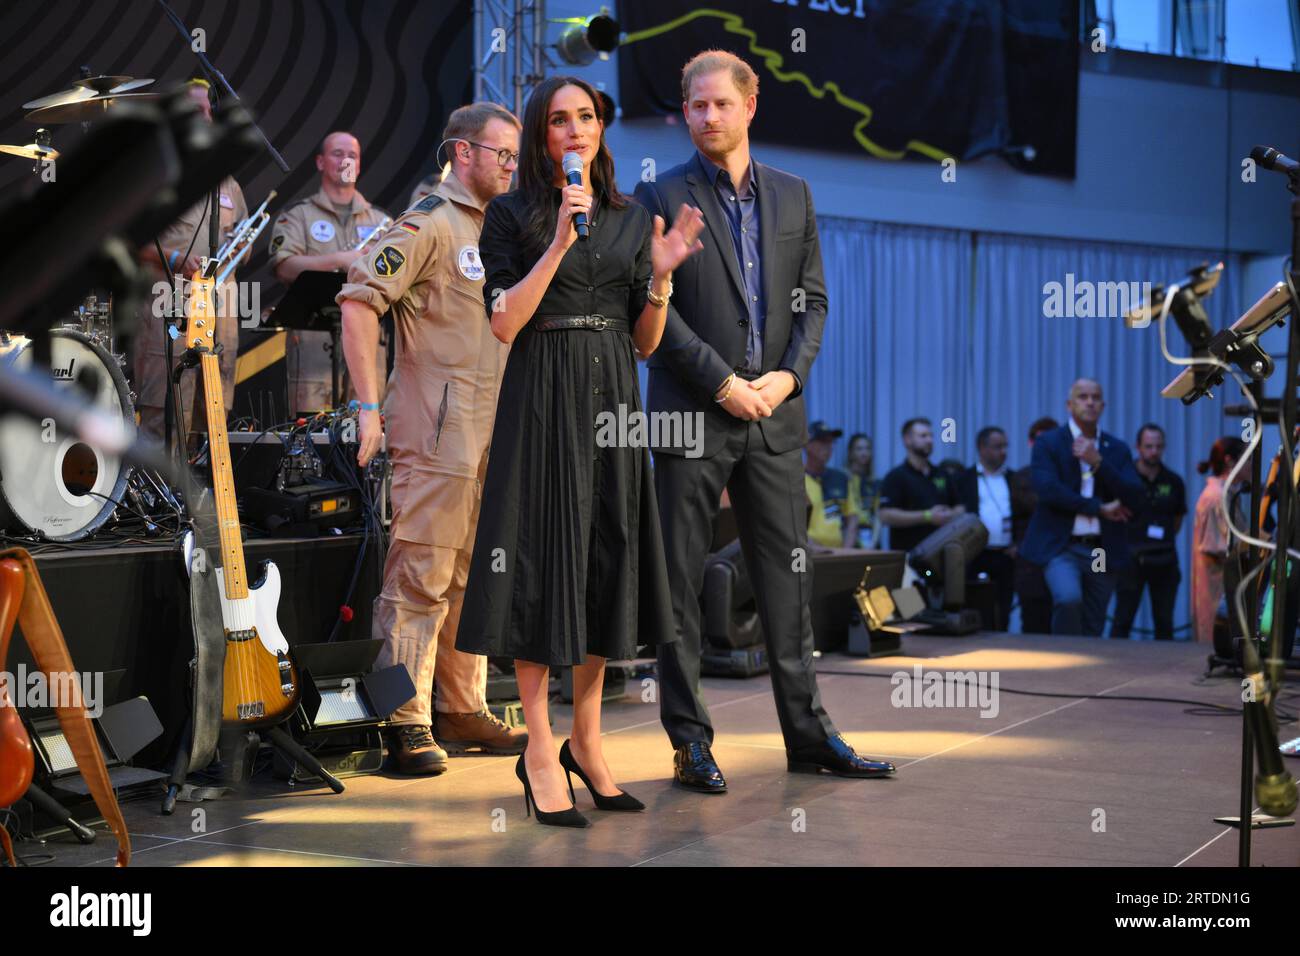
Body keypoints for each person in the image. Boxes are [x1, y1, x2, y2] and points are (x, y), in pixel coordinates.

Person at [634, 49, 895, 794]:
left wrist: (786, 378)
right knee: (680, 586)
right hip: (691, 414)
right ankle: (689, 743)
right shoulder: (660, 195)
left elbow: (813, 301)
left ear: (751, 106)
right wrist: (723, 384)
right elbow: (657, 316)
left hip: (777, 415)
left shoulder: (795, 194)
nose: (708, 117)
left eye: (721, 103)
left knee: (789, 580)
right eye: (695, 106)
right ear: (684, 113)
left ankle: (809, 736)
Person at [455, 76, 706, 826]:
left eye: (586, 117)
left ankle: (587, 742)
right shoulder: (511, 215)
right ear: (540, 135)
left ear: (601, 129)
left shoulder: (633, 220)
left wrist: (659, 279)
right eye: (559, 120)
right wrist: (561, 239)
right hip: (541, 397)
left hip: (614, 403)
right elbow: (504, 324)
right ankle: (539, 748)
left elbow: (645, 340)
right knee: (535, 563)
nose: (575, 130)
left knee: (605, 561)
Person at [337, 102, 526, 775]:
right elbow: (359, 303)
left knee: (472, 578)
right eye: (502, 153)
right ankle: (402, 719)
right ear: (462, 152)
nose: (512, 165)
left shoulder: (504, 230)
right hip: (438, 427)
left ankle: (459, 706)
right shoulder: (427, 223)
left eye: (515, 155)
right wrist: (367, 408)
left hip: (493, 432)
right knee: (419, 573)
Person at [134, 79, 246, 445]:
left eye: (210, 112)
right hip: (170, 305)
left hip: (220, 310)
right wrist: (178, 259)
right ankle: (157, 499)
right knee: (165, 410)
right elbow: (129, 240)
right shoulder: (155, 174)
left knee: (211, 414)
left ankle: (203, 498)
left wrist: (239, 248)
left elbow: (242, 238)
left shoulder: (226, 181)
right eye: (198, 111)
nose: (208, 118)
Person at [271, 131, 391, 413]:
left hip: (368, 347)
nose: (345, 160)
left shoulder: (383, 222)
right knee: (311, 438)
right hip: (314, 347)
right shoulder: (298, 215)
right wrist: (340, 259)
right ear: (321, 162)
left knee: (365, 441)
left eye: (353, 155)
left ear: (359, 165)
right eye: (338, 153)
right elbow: (284, 266)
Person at [1020, 379, 1144, 636]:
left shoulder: (1116, 448)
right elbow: (1048, 489)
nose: (1090, 402)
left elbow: (1134, 494)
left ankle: (1088, 672)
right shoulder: (1049, 443)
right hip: (1062, 545)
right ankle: (1064, 661)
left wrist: (1098, 462)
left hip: (1101, 548)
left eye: (1095, 397)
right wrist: (1098, 507)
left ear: (1103, 405)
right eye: (1082, 396)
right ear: (1069, 404)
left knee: (1094, 617)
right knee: (1068, 598)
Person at [1111, 423, 1187, 640]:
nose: (1154, 451)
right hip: (1130, 558)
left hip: (1164, 558)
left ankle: (1166, 672)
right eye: (1149, 446)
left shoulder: (1174, 481)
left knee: (1164, 622)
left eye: (1158, 446)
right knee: (1122, 619)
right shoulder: (1124, 479)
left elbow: (1177, 520)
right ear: (1138, 447)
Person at [956, 426, 1020, 631]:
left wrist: (1018, 543)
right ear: (981, 448)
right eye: (997, 446)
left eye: (1005, 446)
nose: (1003, 451)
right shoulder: (962, 479)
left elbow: (1024, 515)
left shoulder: (1014, 478)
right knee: (974, 603)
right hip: (974, 553)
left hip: (1005, 553)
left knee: (1004, 606)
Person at [878, 417, 966, 553]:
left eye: (931, 436)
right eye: (923, 436)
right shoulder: (896, 476)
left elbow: (960, 507)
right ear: (907, 440)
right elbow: (885, 515)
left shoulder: (942, 474)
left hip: (942, 554)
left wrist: (949, 514)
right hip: (909, 555)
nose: (929, 441)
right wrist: (927, 516)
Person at [1191, 436, 1247, 644]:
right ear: (1230, 461)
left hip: (1226, 585)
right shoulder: (1216, 497)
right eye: (1247, 458)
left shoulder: (1229, 494)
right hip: (1218, 586)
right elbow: (1219, 547)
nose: (1251, 464)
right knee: (1214, 638)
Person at [1013, 417, 1058, 633]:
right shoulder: (1020, 477)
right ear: (1031, 443)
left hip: (1061, 556)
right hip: (1029, 562)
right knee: (1032, 622)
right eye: (1040, 442)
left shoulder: (1071, 476)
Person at [804, 421, 852, 548]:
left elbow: (852, 518)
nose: (828, 447)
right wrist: (815, 548)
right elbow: (788, 525)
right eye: (822, 442)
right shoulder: (794, 479)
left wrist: (846, 552)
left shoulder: (841, 478)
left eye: (831, 442)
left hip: (838, 554)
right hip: (805, 553)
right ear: (807, 445)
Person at [845, 432, 881, 548]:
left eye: (867, 449)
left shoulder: (875, 482)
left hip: (870, 539)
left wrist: (874, 542)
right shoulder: (843, 479)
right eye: (859, 449)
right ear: (851, 453)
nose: (864, 453)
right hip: (847, 537)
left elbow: (878, 516)